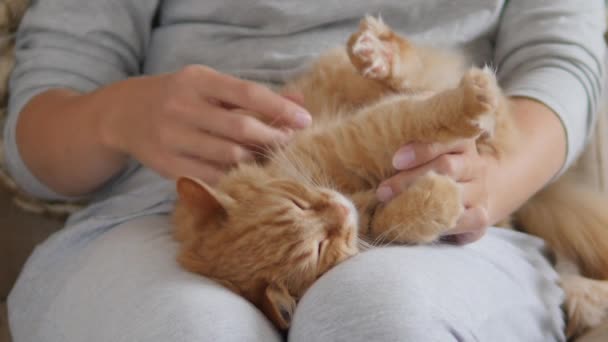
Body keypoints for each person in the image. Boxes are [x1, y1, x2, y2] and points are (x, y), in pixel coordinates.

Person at [4, 1, 605, 341]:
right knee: (190, 330)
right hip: (166, 215)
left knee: (380, 316)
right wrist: (119, 114)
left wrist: (498, 179)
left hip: (429, 198)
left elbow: (561, 61)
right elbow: (32, 151)